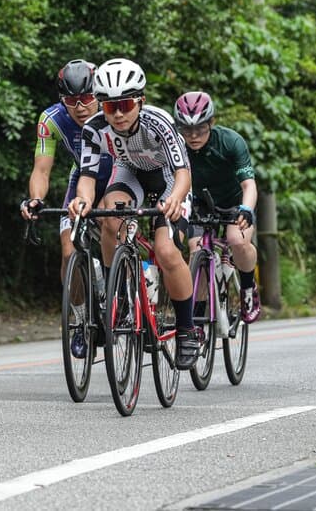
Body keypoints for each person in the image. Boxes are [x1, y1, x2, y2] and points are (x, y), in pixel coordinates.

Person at [67, 58, 199, 370]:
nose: (119, 114)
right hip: (129, 173)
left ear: (141, 100)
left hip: (168, 178)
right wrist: (83, 201)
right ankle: (120, 294)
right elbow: (86, 178)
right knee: (108, 216)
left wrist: (176, 199)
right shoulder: (95, 128)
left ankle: (186, 328)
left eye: (126, 104)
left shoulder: (160, 122)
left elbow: (182, 173)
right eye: (110, 107)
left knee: (166, 250)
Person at [21, 59, 113, 280]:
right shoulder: (51, 119)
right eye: (71, 101)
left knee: (112, 224)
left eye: (87, 98)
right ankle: (80, 314)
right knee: (68, 251)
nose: (80, 108)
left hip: (119, 177)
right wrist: (36, 199)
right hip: (82, 178)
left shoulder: (114, 113)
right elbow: (41, 170)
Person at [174, 91, 260, 323]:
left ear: (211, 123)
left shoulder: (230, 141)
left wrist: (246, 209)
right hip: (198, 203)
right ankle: (198, 316)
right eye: (186, 129)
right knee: (195, 248)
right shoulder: (176, 145)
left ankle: (248, 288)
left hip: (233, 202)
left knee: (237, 240)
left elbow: (249, 184)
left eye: (200, 129)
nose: (193, 136)